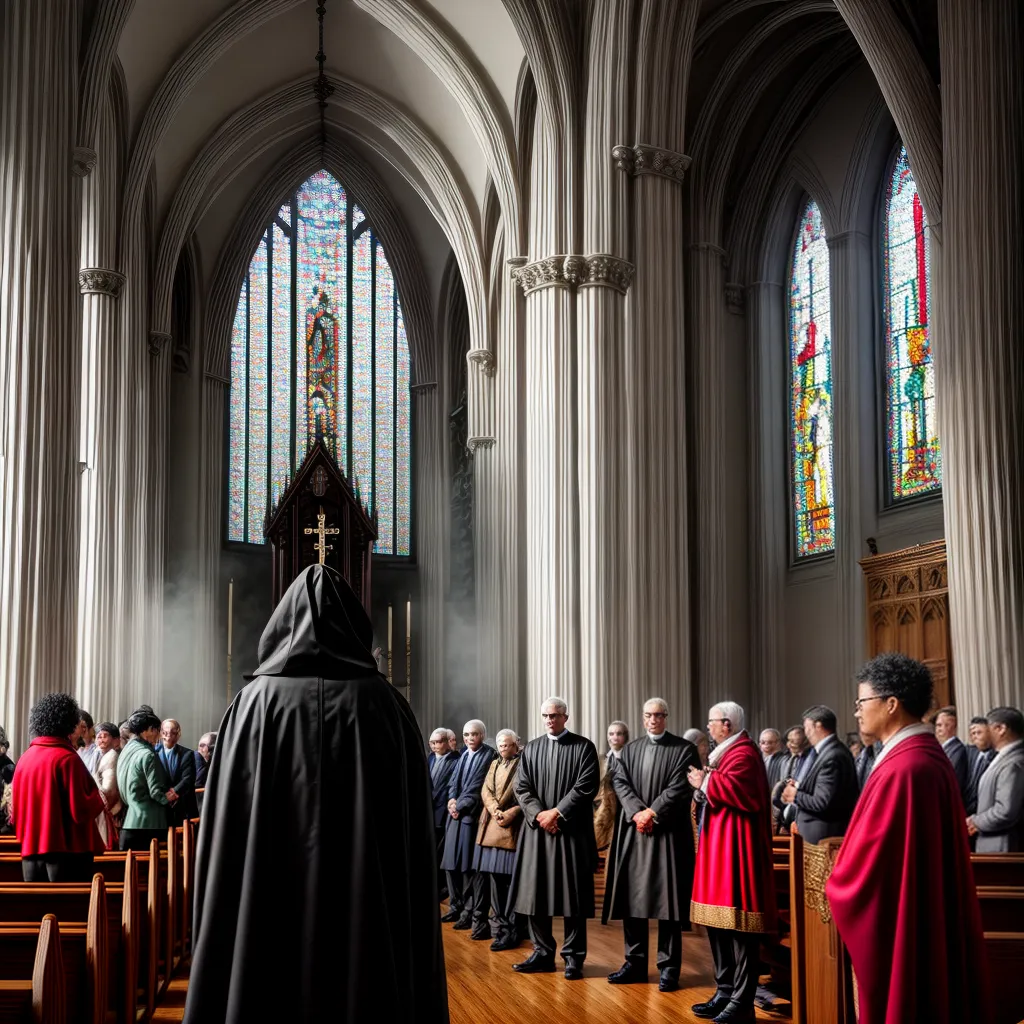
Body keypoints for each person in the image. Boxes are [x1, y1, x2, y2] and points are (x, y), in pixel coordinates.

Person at [183, 565, 447, 1024]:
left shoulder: (250, 706)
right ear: (354, 622)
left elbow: (224, 834)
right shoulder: (387, 705)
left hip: (265, 904)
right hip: (367, 904)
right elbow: (411, 835)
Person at [826, 653, 990, 1024]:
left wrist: (836, 879)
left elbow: (868, 866)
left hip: (908, 924)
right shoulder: (918, 756)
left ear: (891, 704)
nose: (857, 712)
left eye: (861, 702)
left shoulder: (906, 767)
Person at [688, 702, 776, 1023]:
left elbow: (744, 793)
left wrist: (705, 783)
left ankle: (742, 1002)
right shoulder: (727, 752)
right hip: (719, 851)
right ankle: (725, 991)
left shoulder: (745, 753)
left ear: (726, 724)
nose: (708, 727)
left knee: (739, 929)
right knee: (717, 926)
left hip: (737, 853)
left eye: (712, 722)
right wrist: (703, 788)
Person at [604, 698, 700, 992]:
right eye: (648, 715)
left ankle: (669, 968)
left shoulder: (684, 749)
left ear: (666, 717)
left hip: (667, 835)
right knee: (634, 900)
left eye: (659, 715)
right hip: (637, 832)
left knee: (668, 904)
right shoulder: (630, 750)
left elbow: (680, 788)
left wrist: (652, 812)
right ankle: (634, 963)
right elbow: (619, 782)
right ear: (643, 719)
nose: (653, 720)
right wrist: (636, 812)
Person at [511, 697, 600, 981]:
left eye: (554, 715)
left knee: (573, 898)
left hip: (570, 832)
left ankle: (574, 958)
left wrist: (557, 814)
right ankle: (542, 953)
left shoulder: (583, 747)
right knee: (535, 895)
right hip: (538, 832)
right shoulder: (532, 749)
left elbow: (586, 786)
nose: (549, 720)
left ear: (565, 717)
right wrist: (539, 815)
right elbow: (521, 787)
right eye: (545, 715)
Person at [11, 693, 106, 881]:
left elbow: (15, 812)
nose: (79, 732)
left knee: (37, 909)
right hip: (67, 854)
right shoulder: (67, 759)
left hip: (30, 855)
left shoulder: (25, 759)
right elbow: (81, 809)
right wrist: (100, 798)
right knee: (70, 909)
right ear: (68, 724)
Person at [439, 720, 496, 936]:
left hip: (470, 818)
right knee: (450, 864)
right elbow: (453, 782)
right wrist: (452, 800)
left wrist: (459, 806)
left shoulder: (488, 755)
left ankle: (469, 912)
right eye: (466, 735)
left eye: (473, 734)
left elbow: (477, 786)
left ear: (482, 735)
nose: (469, 738)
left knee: (468, 867)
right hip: (455, 815)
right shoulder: (463, 754)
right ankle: (457, 907)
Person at [778, 704, 858, 845]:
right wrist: (799, 786)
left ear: (818, 726)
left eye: (807, 728)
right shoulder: (829, 751)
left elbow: (822, 802)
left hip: (823, 839)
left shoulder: (832, 755)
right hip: (819, 836)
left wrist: (794, 795)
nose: (806, 733)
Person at [473, 729, 524, 951]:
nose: (502, 748)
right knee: (494, 879)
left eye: (507, 745)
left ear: (516, 745)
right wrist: (494, 810)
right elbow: (486, 789)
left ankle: (514, 928)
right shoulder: (494, 763)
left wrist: (511, 811)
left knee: (512, 880)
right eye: (500, 745)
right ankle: (501, 926)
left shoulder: (523, 763)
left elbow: (524, 791)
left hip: (513, 826)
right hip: (494, 825)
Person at [968, 706, 1024, 852]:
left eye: (988, 728)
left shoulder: (1014, 762)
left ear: (1001, 729)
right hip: (993, 843)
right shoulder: (1003, 756)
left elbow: (1005, 811)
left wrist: (975, 821)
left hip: (1003, 846)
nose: (985, 733)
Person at [118, 710, 175, 850]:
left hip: (129, 821)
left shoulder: (126, 751)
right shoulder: (148, 755)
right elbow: (155, 792)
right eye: (157, 730)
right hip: (150, 824)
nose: (159, 735)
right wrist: (167, 798)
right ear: (148, 730)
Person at [428, 728, 459, 899]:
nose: (434, 746)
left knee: (442, 853)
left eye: (438, 742)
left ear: (447, 742)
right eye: (431, 743)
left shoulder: (456, 760)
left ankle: (443, 888)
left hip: (444, 812)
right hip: (430, 812)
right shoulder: (430, 758)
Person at [594, 720, 629, 851]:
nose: (614, 737)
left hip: (625, 810)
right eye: (611, 733)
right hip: (604, 809)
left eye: (619, 734)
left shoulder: (632, 758)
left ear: (625, 736)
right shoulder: (600, 759)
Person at [156, 719, 198, 823]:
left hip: (182, 804)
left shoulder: (187, 754)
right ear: (161, 733)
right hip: (160, 804)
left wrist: (174, 793)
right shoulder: (153, 752)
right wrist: (165, 796)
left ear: (178, 734)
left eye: (173, 732)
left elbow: (188, 778)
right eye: (165, 732)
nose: (168, 735)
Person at [772, 725, 811, 832]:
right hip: (784, 804)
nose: (790, 744)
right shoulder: (785, 760)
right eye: (788, 741)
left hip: (800, 806)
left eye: (794, 741)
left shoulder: (810, 759)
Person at [93, 722, 122, 849]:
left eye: (105, 736)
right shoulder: (97, 754)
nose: (102, 740)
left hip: (108, 809)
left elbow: (109, 790)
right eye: (99, 736)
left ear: (115, 740)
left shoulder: (112, 756)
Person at [934, 705, 970, 804]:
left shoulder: (958, 750)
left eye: (945, 725)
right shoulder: (942, 748)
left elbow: (952, 782)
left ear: (955, 727)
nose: (939, 729)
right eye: (938, 725)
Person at [965, 716, 996, 816]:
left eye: (979, 733)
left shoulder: (998, 755)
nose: (975, 737)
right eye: (973, 734)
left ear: (989, 733)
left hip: (985, 810)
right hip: (966, 807)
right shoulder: (968, 752)